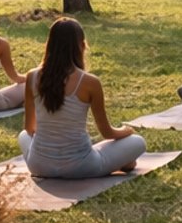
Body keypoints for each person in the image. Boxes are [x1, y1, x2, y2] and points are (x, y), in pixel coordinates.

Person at [18, 17, 147, 178]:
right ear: (81, 46)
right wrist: (126, 130)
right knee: (138, 142)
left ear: (49, 45)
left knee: (23, 136)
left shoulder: (32, 76)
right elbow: (107, 133)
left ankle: (122, 160)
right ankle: (123, 161)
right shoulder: (90, 82)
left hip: (39, 166)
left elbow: (29, 129)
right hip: (80, 167)